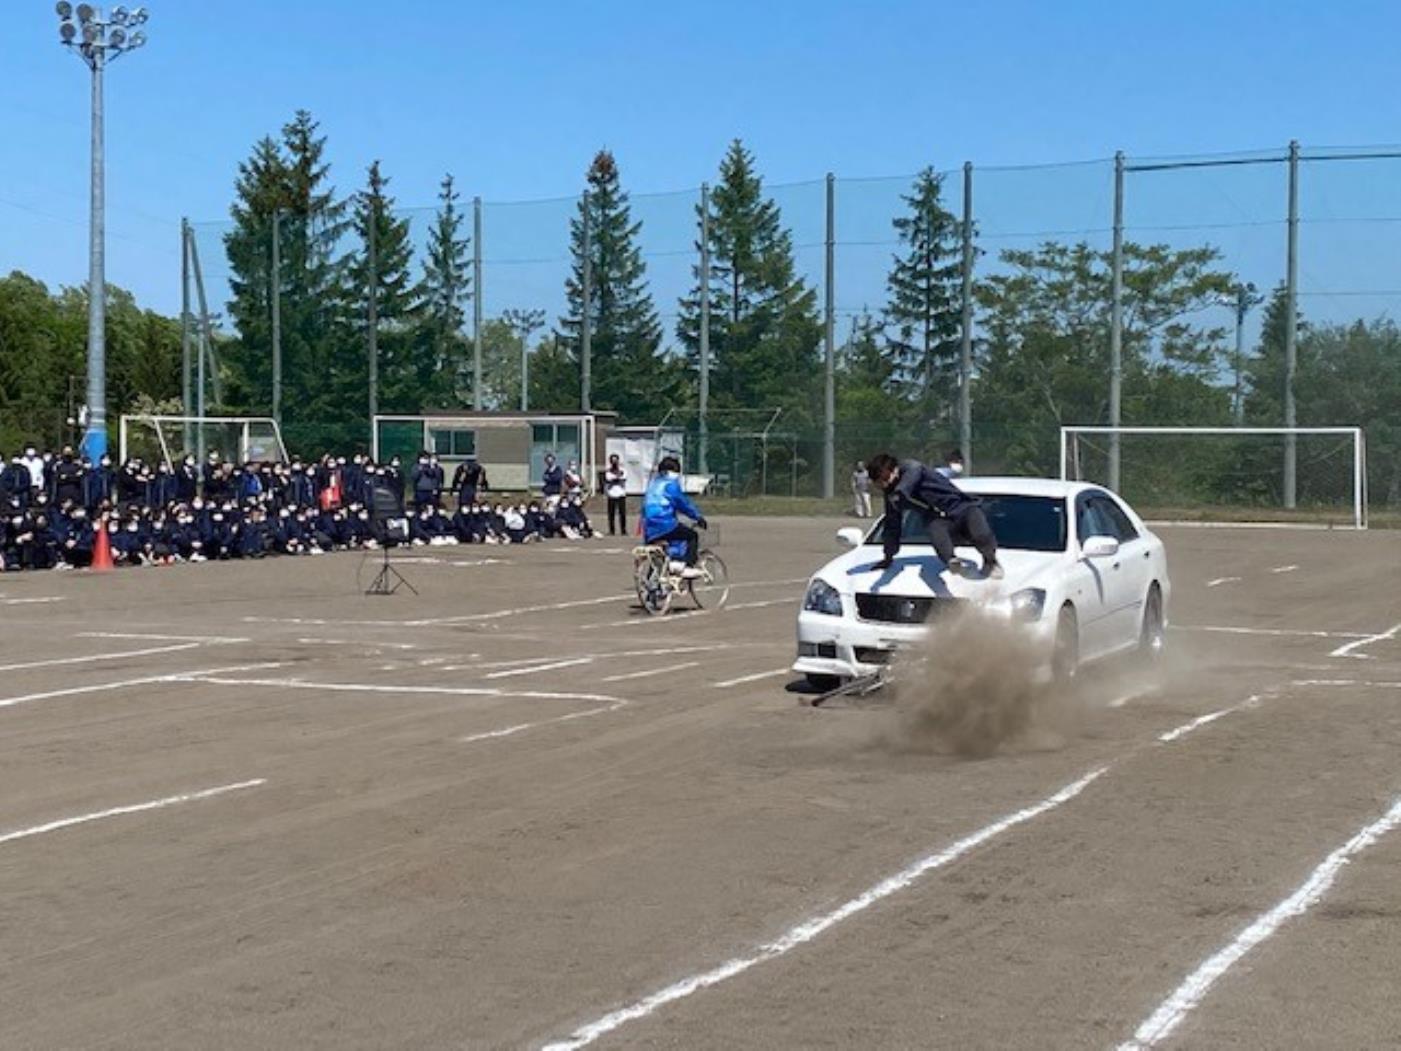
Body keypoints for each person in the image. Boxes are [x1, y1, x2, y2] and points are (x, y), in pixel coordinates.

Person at [866, 452, 1001, 579]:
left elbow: (914, 472)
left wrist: (901, 492)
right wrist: (888, 557)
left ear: (895, 470)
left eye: (885, 479)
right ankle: (951, 560)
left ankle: (991, 561)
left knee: (980, 532)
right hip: (939, 519)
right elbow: (892, 526)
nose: (885, 485)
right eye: (879, 483)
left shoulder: (911, 468)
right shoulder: (892, 496)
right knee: (935, 529)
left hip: (961, 507)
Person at [642, 456, 707, 577]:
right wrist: (698, 517)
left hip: (649, 526)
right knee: (692, 536)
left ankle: (653, 582)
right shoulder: (670, 484)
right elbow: (683, 503)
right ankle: (688, 566)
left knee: (659, 552)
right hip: (664, 523)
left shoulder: (653, 484)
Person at [603, 453, 628, 535]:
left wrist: (616, 479)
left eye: (615, 460)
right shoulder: (608, 471)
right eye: (612, 460)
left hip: (621, 494)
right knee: (611, 514)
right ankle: (611, 530)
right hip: (611, 494)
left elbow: (623, 478)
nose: (614, 462)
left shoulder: (623, 470)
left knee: (622, 514)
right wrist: (617, 478)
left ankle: (623, 530)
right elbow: (608, 479)